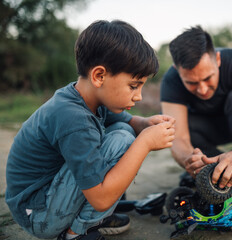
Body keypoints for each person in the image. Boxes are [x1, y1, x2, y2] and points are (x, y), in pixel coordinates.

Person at [5, 20, 175, 240]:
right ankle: (77, 233)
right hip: (38, 214)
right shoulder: (73, 118)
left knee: (124, 128)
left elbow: (127, 121)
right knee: (123, 141)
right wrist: (145, 143)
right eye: (133, 86)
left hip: (49, 197)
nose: (139, 96)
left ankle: (93, 219)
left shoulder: (88, 97)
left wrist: (145, 123)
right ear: (99, 76)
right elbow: (101, 199)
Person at [160, 26, 232, 189]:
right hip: (204, 130)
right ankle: (212, 170)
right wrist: (191, 160)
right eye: (191, 83)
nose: (202, 89)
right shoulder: (171, 80)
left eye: (208, 78)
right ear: (176, 70)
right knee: (172, 123)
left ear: (218, 59)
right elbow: (178, 138)